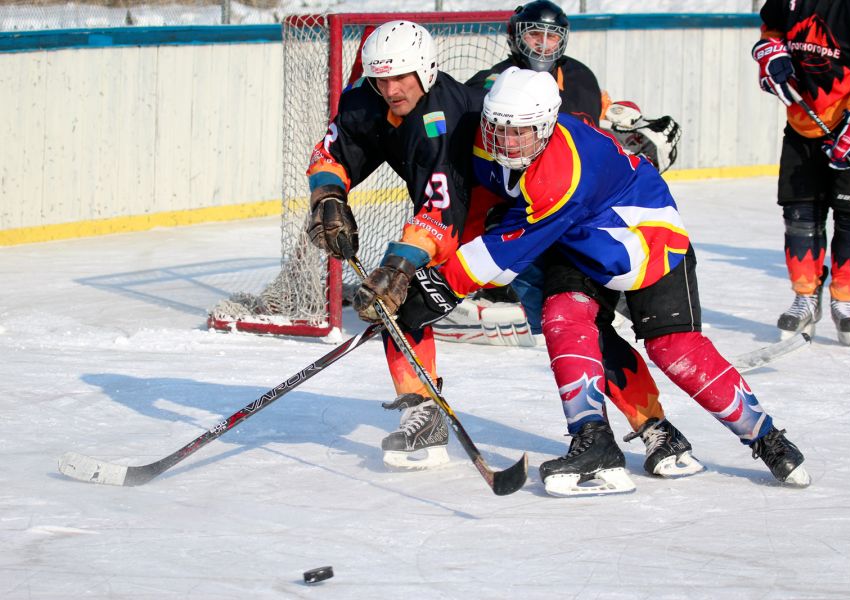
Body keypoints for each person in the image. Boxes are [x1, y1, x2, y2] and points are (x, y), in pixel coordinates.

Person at [357, 67, 812, 494]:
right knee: (563, 317)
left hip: (643, 241)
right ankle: (593, 442)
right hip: (576, 239)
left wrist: (435, 289)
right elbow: (477, 211)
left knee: (675, 350)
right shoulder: (488, 139)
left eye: (521, 132)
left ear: (548, 125)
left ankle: (767, 438)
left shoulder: (561, 172)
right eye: (501, 129)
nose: (509, 143)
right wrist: (424, 271)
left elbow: (502, 252)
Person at [442, 0, 698, 481]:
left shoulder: (580, 76)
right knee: (585, 333)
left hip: (586, 227)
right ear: (515, 37)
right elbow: (468, 174)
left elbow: (593, 138)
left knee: (601, 330)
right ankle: (623, 433)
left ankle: (655, 428)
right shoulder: (487, 88)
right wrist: (464, 260)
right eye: (533, 35)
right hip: (523, 236)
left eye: (552, 37)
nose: (542, 45)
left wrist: (633, 135)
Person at [306, 20, 489, 469]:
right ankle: (423, 413)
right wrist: (327, 196)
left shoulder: (444, 116)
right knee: (400, 305)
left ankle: (626, 430)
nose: (390, 89)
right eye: (380, 78)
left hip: (508, 217)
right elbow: (331, 152)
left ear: (426, 71)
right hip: (456, 216)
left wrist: (401, 264)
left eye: (400, 76)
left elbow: (443, 214)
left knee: (573, 313)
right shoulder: (367, 99)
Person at [752, 0, 850, 346]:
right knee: (800, 213)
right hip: (804, 120)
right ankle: (806, 296)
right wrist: (770, 51)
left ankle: (845, 300)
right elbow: (771, 28)